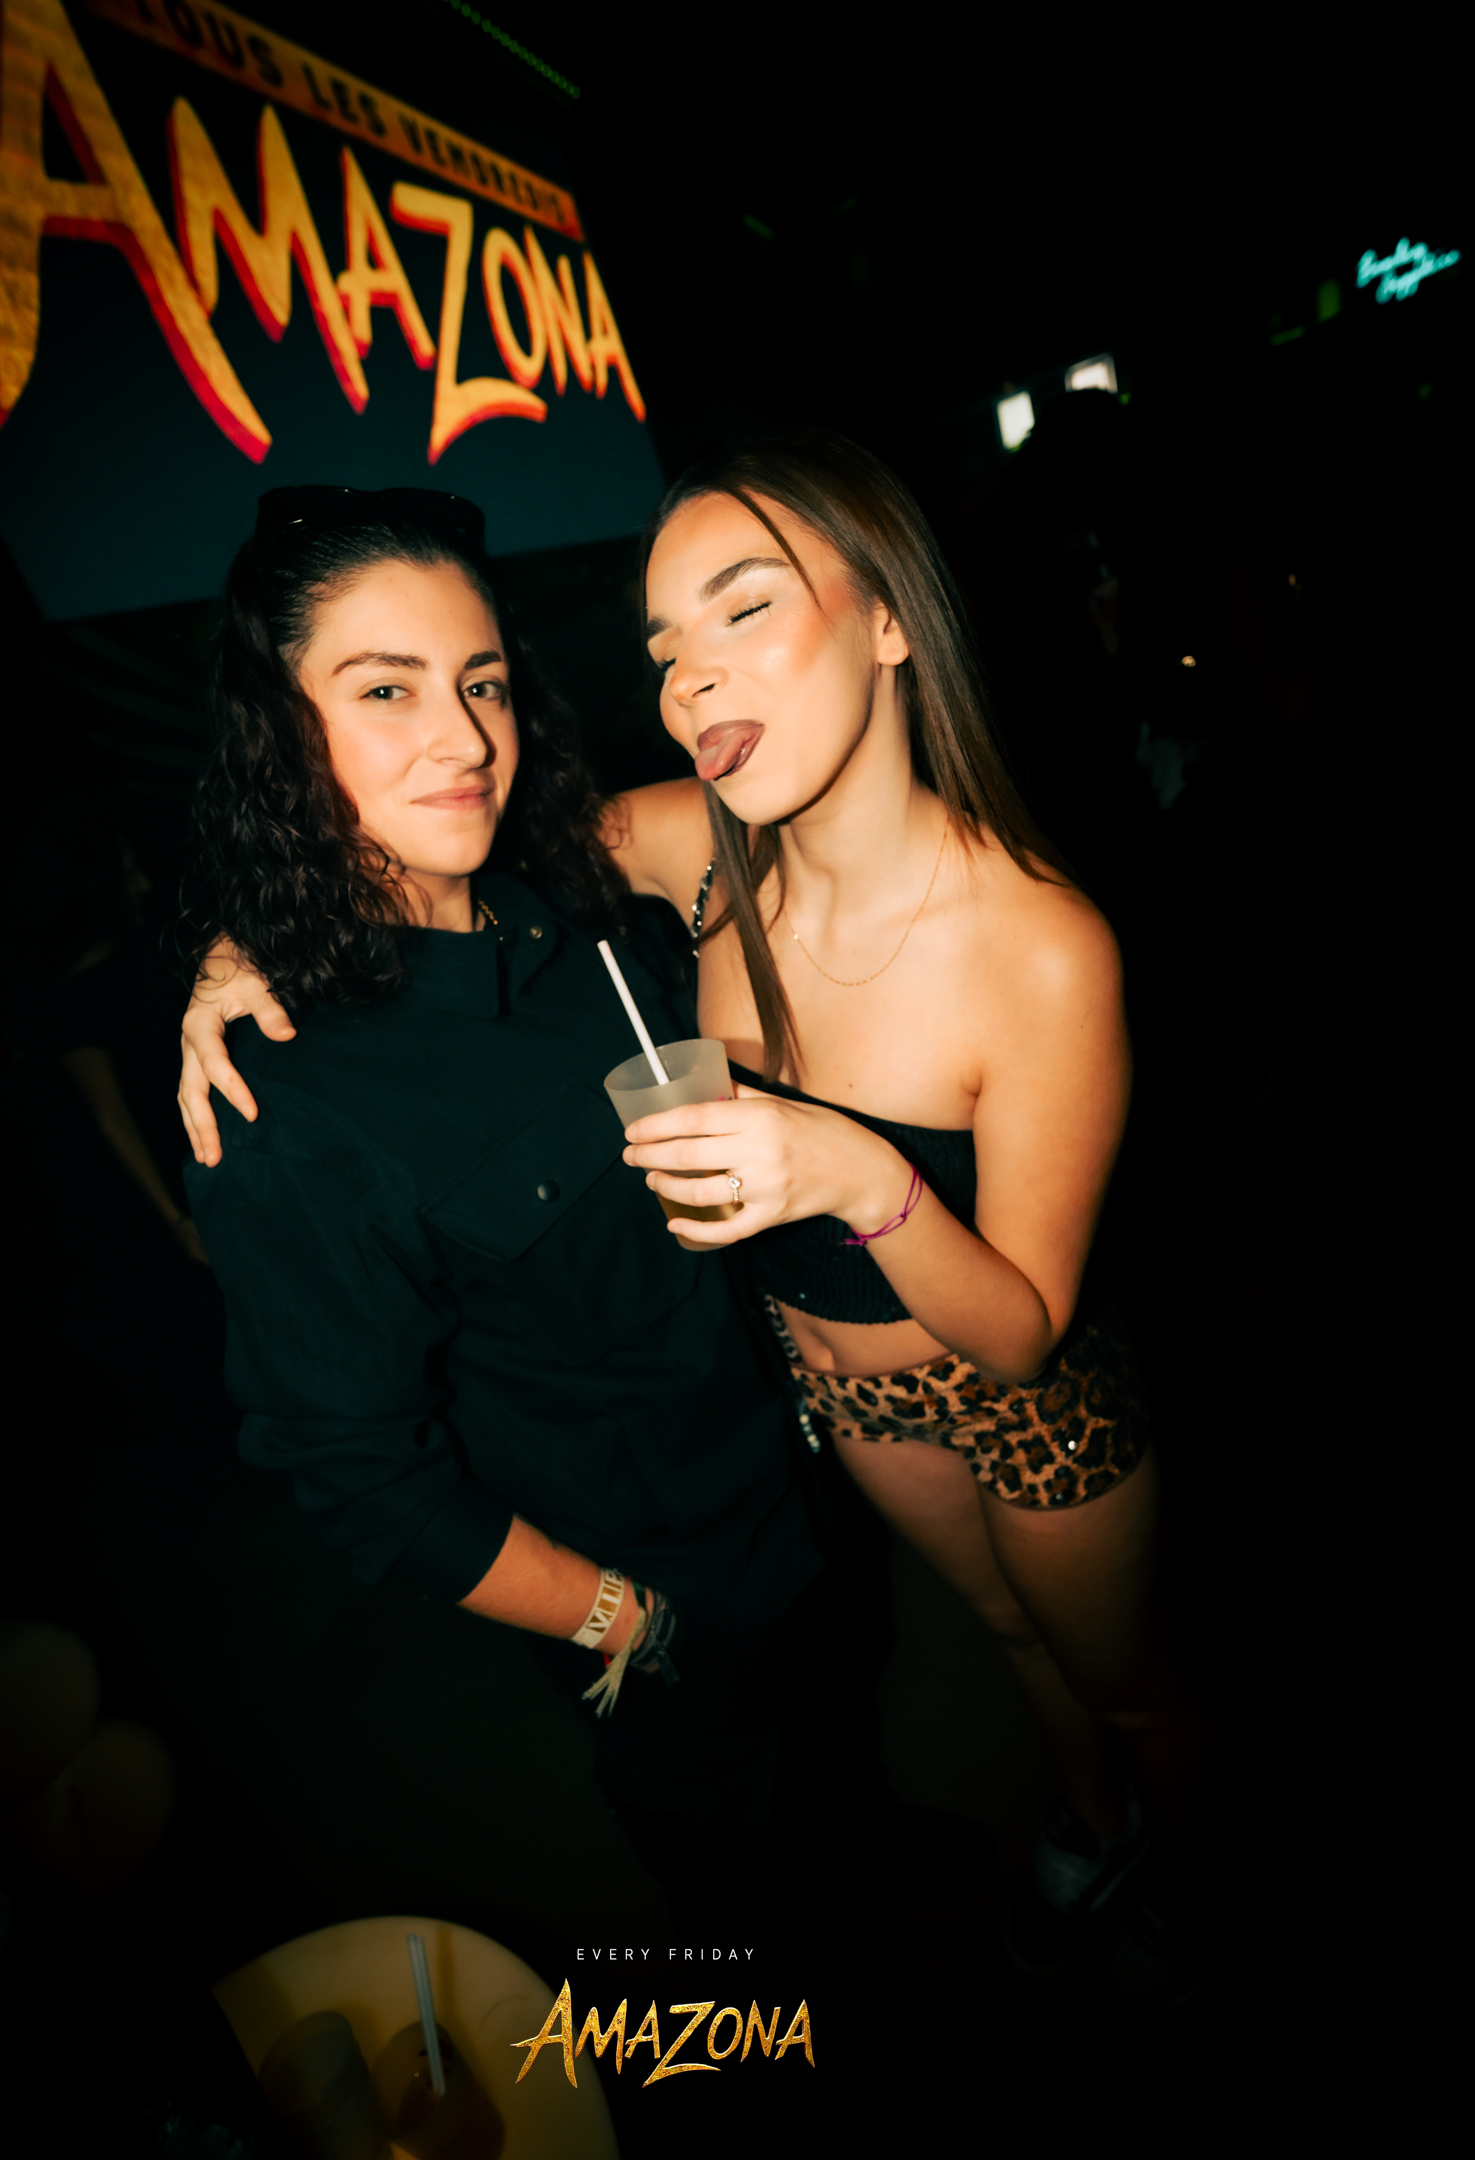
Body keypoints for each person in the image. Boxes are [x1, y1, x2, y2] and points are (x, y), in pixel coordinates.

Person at [181, 438, 1210, 1996]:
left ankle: (1178, 1884)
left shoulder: (1019, 939)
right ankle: (1042, 1854)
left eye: (745, 608)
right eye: (665, 644)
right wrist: (238, 943)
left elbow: (1023, 1334)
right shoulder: (699, 861)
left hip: (960, 1418)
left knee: (1103, 1683)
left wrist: (855, 1174)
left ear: (891, 616)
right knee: (955, 1700)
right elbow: (412, 848)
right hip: (804, 1437)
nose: (689, 678)